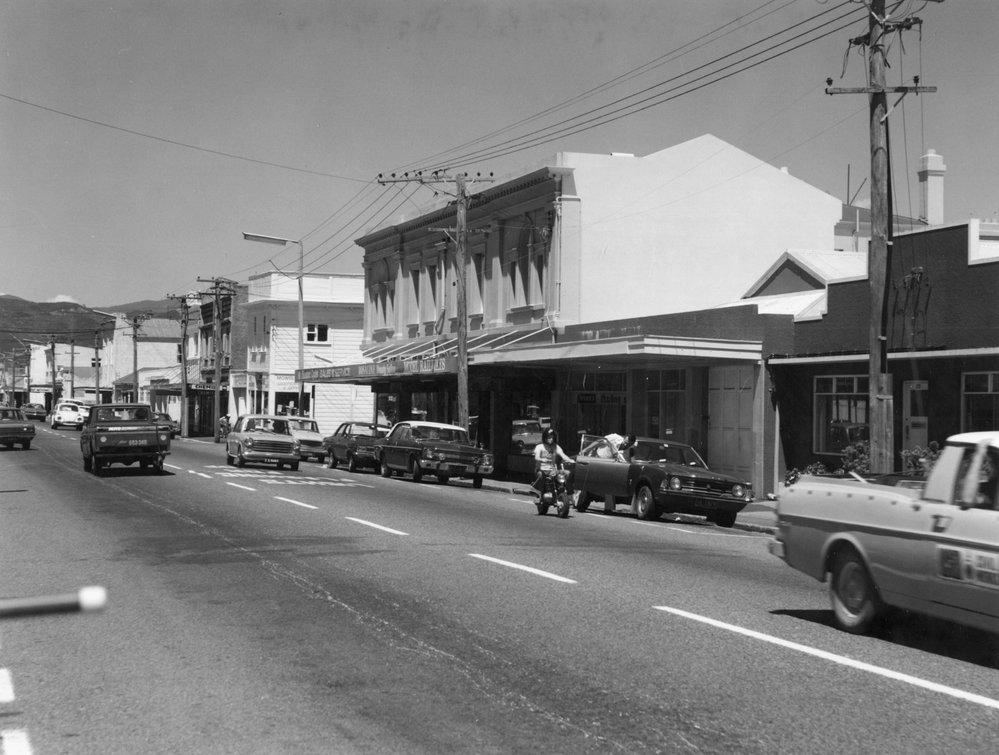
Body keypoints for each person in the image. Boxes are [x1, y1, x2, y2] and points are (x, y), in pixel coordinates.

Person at [532, 427, 572, 494]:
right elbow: (536, 457)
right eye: (549, 437)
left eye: (552, 438)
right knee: (541, 475)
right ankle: (539, 492)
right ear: (545, 438)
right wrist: (542, 459)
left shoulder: (556, 447)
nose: (551, 439)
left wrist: (570, 460)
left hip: (552, 470)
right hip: (541, 470)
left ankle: (567, 493)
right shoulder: (539, 447)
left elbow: (563, 455)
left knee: (567, 473)